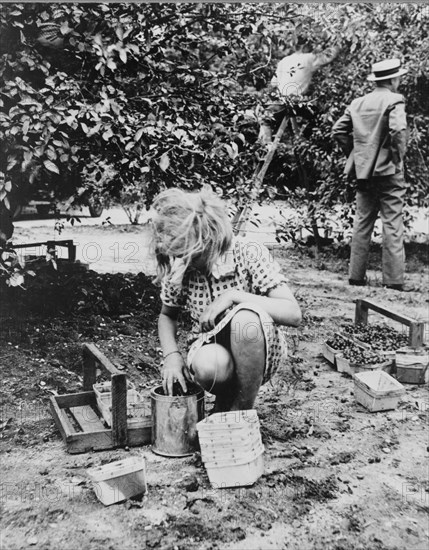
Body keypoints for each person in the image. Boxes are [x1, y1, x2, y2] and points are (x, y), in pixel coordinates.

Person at [151, 186, 302, 412]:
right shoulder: (182, 267)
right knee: (208, 365)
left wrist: (234, 296)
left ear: (211, 240)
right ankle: (224, 401)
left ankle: (242, 411)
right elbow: (167, 315)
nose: (187, 262)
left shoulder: (247, 252)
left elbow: (293, 313)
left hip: (259, 351)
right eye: (181, 256)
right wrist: (172, 356)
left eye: (193, 255)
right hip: (211, 349)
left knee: (245, 319)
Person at [332, 58, 409, 291]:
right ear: (393, 79)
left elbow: (338, 130)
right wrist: (396, 158)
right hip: (389, 173)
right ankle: (393, 281)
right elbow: (398, 131)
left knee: (362, 223)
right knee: (392, 224)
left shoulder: (358, 103)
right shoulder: (395, 100)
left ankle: (356, 278)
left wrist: (358, 156)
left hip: (363, 173)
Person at [258, 41, 341, 144]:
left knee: (266, 120)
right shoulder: (309, 58)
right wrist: (339, 43)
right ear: (307, 45)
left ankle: (265, 146)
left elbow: (273, 83)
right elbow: (329, 56)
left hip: (281, 100)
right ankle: (306, 140)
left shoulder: (284, 60)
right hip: (296, 102)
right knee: (320, 117)